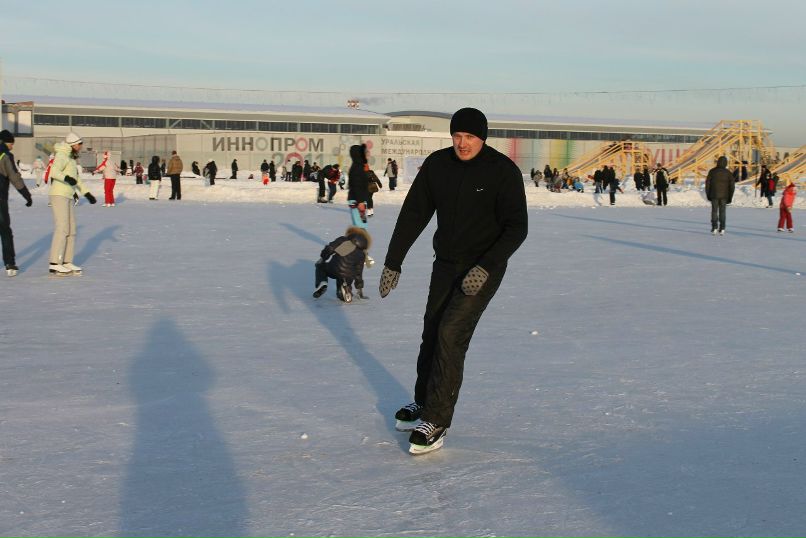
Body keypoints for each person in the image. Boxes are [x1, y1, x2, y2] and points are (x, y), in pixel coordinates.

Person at [379, 108, 528, 454]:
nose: (462, 143)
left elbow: (517, 227)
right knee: (432, 329)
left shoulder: (502, 171)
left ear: (483, 138)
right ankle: (424, 401)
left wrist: (488, 265)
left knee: (451, 333)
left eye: (470, 137)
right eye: (457, 136)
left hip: (483, 269)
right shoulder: (438, 165)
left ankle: (438, 419)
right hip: (446, 264)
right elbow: (414, 212)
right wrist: (393, 261)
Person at [48, 132, 97, 275]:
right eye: (80, 144)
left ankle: (67, 261)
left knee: (71, 230)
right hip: (58, 195)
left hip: (68, 195)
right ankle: (55, 262)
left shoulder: (71, 159)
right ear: (73, 144)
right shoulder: (62, 155)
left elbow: (77, 180)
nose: (81, 146)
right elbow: (53, 171)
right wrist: (66, 178)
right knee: (62, 228)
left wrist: (87, 193)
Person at [0, 130, 34, 276]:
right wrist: (26, 194)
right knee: (5, 230)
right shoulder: (5, 155)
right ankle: (10, 264)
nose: (12, 147)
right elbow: (14, 177)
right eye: (11, 143)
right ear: (6, 142)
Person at [312, 225, 371, 303]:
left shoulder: (343, 240)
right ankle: (345, 291)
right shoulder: (363, 253)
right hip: (349, 275)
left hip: (335, 268)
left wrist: (323, 258)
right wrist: (360, 290)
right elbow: (358, 272)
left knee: (321, 267)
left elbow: (330, 248)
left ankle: (322, 283)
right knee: (344, 281)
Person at [705, 156, 735, 235]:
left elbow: (707, 183)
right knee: (722, 212)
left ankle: (714, 227)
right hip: (724, 196)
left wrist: (708, 194)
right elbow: (732, 186)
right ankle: (722, 228)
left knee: (714, 211)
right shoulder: (728, 173)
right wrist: (730, 196)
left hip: (714, 195)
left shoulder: (712, 171)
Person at [347, 145, 370, 224]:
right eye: (365, 152)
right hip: (357, 200)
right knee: (360, 227)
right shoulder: (357, 167)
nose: (367, 154)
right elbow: (357, 184)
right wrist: (360, 202)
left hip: (359, 200)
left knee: (361, 226)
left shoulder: (359, 165)